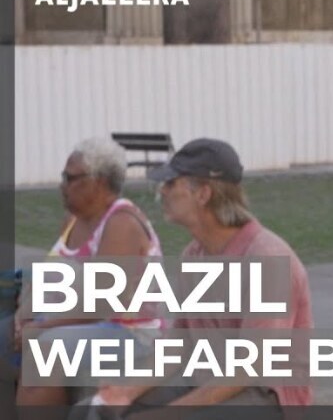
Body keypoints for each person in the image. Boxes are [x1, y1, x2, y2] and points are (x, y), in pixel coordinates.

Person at [87, 138, 313, 414]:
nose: (162, 190)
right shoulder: (193, 255)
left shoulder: (266, 259)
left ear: (203, 194)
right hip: (210, 382)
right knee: (97, 409)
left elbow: (250, 367)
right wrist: (126, 390)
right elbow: (180, 342)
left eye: (171, 183)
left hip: (266, 395)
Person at [3, 138, 163, 407]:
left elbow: (104, 304)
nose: (62, 185)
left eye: (70, 178)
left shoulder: (121, 222)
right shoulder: (72, 220)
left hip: (129, 332)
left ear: (98, 182)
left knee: (45, 350)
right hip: (68, 321)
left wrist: (41, 327)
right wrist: (23, 317)